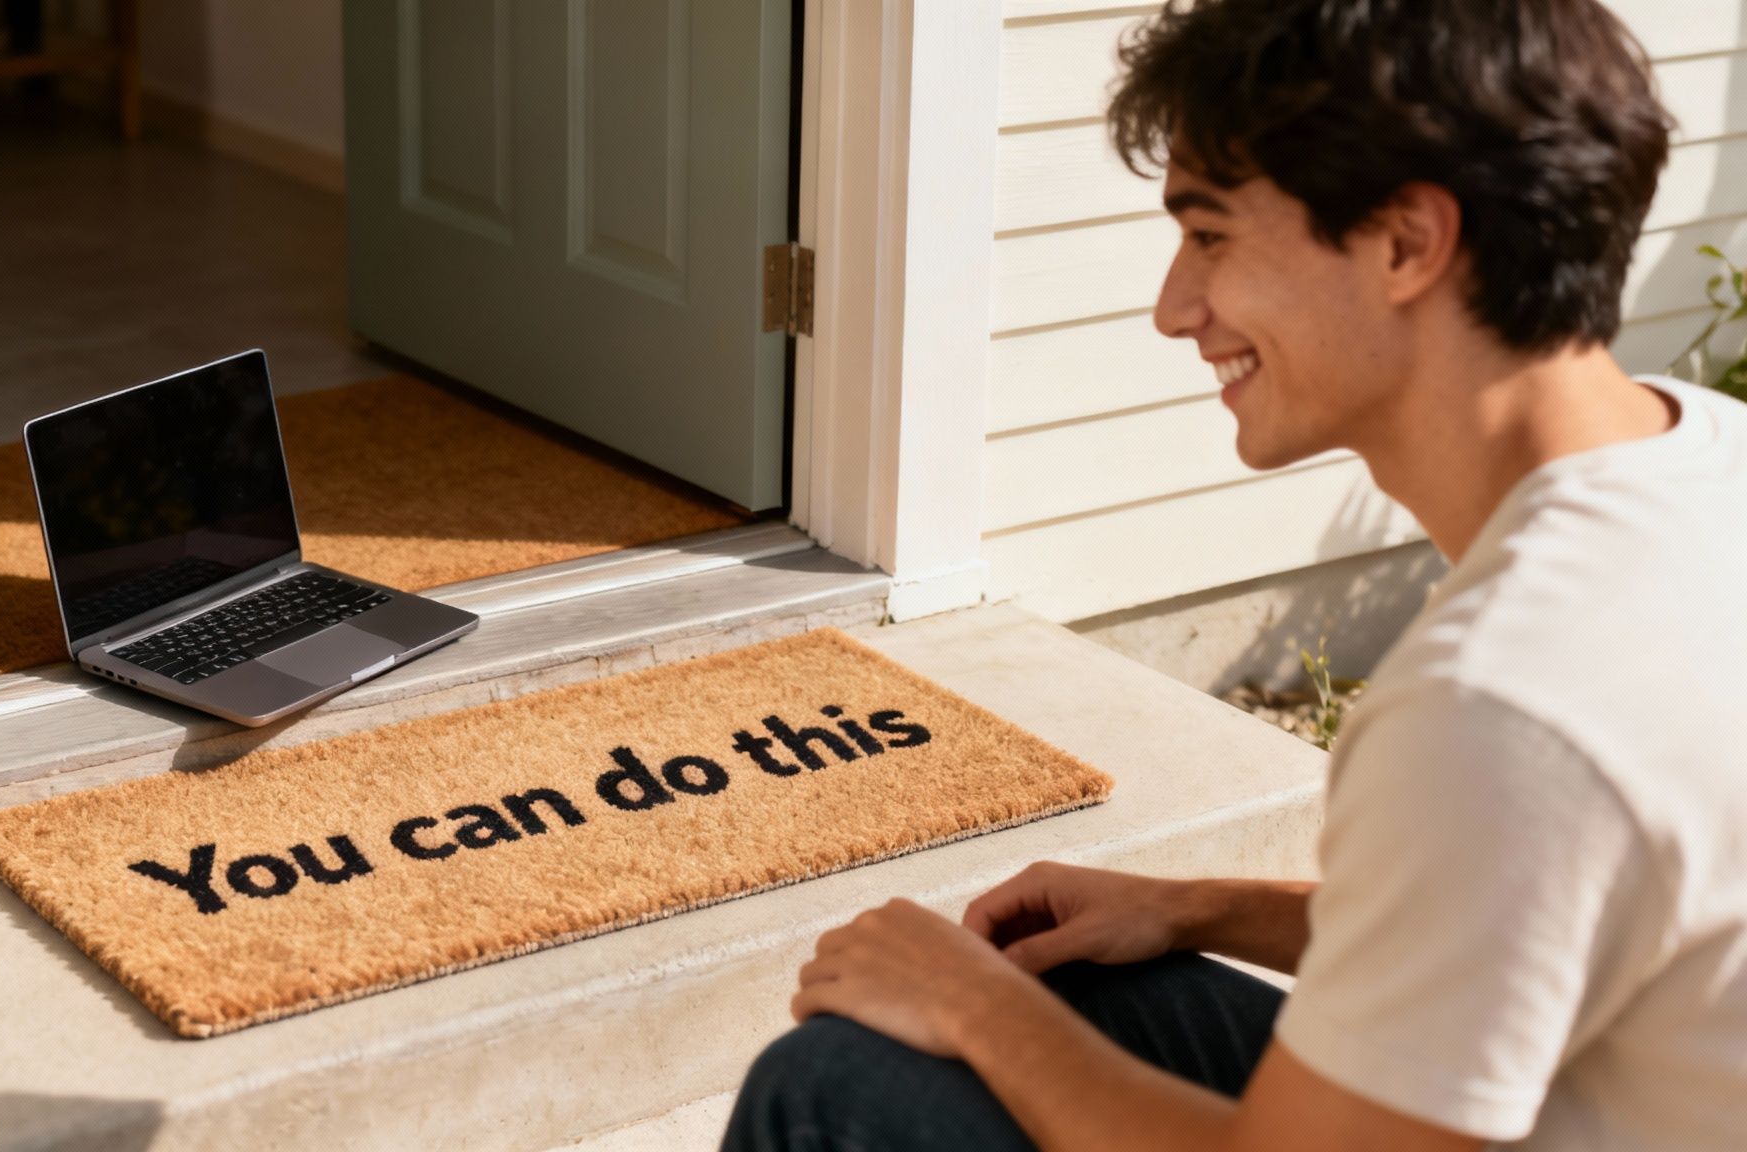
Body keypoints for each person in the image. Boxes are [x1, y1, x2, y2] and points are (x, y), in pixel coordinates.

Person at [722, 0, 1747, 1148]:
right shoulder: (1701, 459)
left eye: (1208, 236)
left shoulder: (1499, 709)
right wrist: (1191, 910)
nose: (1172, 310)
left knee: (833, 1090)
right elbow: (1532, 913)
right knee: (1078, 988)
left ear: (1406, 241)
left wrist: (970, 1006)